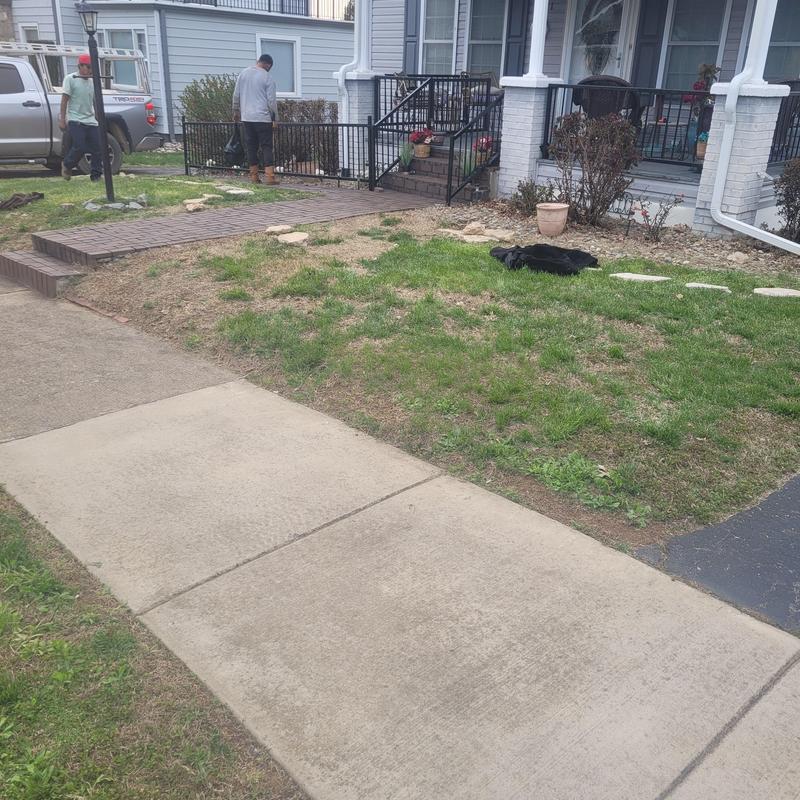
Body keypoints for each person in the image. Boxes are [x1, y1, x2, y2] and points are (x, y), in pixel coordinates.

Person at [233, 54, 279, 185]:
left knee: (251, 147)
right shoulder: (267, 77)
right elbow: (271, 101)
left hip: (246, 117)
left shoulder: (243, 74)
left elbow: (236, 95)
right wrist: (275, 118)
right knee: (266, 146)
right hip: (263, 118)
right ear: (268, 65)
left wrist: (236, 111)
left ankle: (254, 177)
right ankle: (270, 177)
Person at [59, 53, 102, 182]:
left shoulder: (92, 82)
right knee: (80, 146)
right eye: (87, 67)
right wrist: (62, 119)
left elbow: (94, 100)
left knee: (97, 149)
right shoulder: (70, 79)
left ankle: (96, 176)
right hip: (75, 119)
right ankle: (67, 164)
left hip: (90, 120)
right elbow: (64, 100)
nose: (90, 70)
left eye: (91, 68)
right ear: (80, 66)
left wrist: (98, 116)